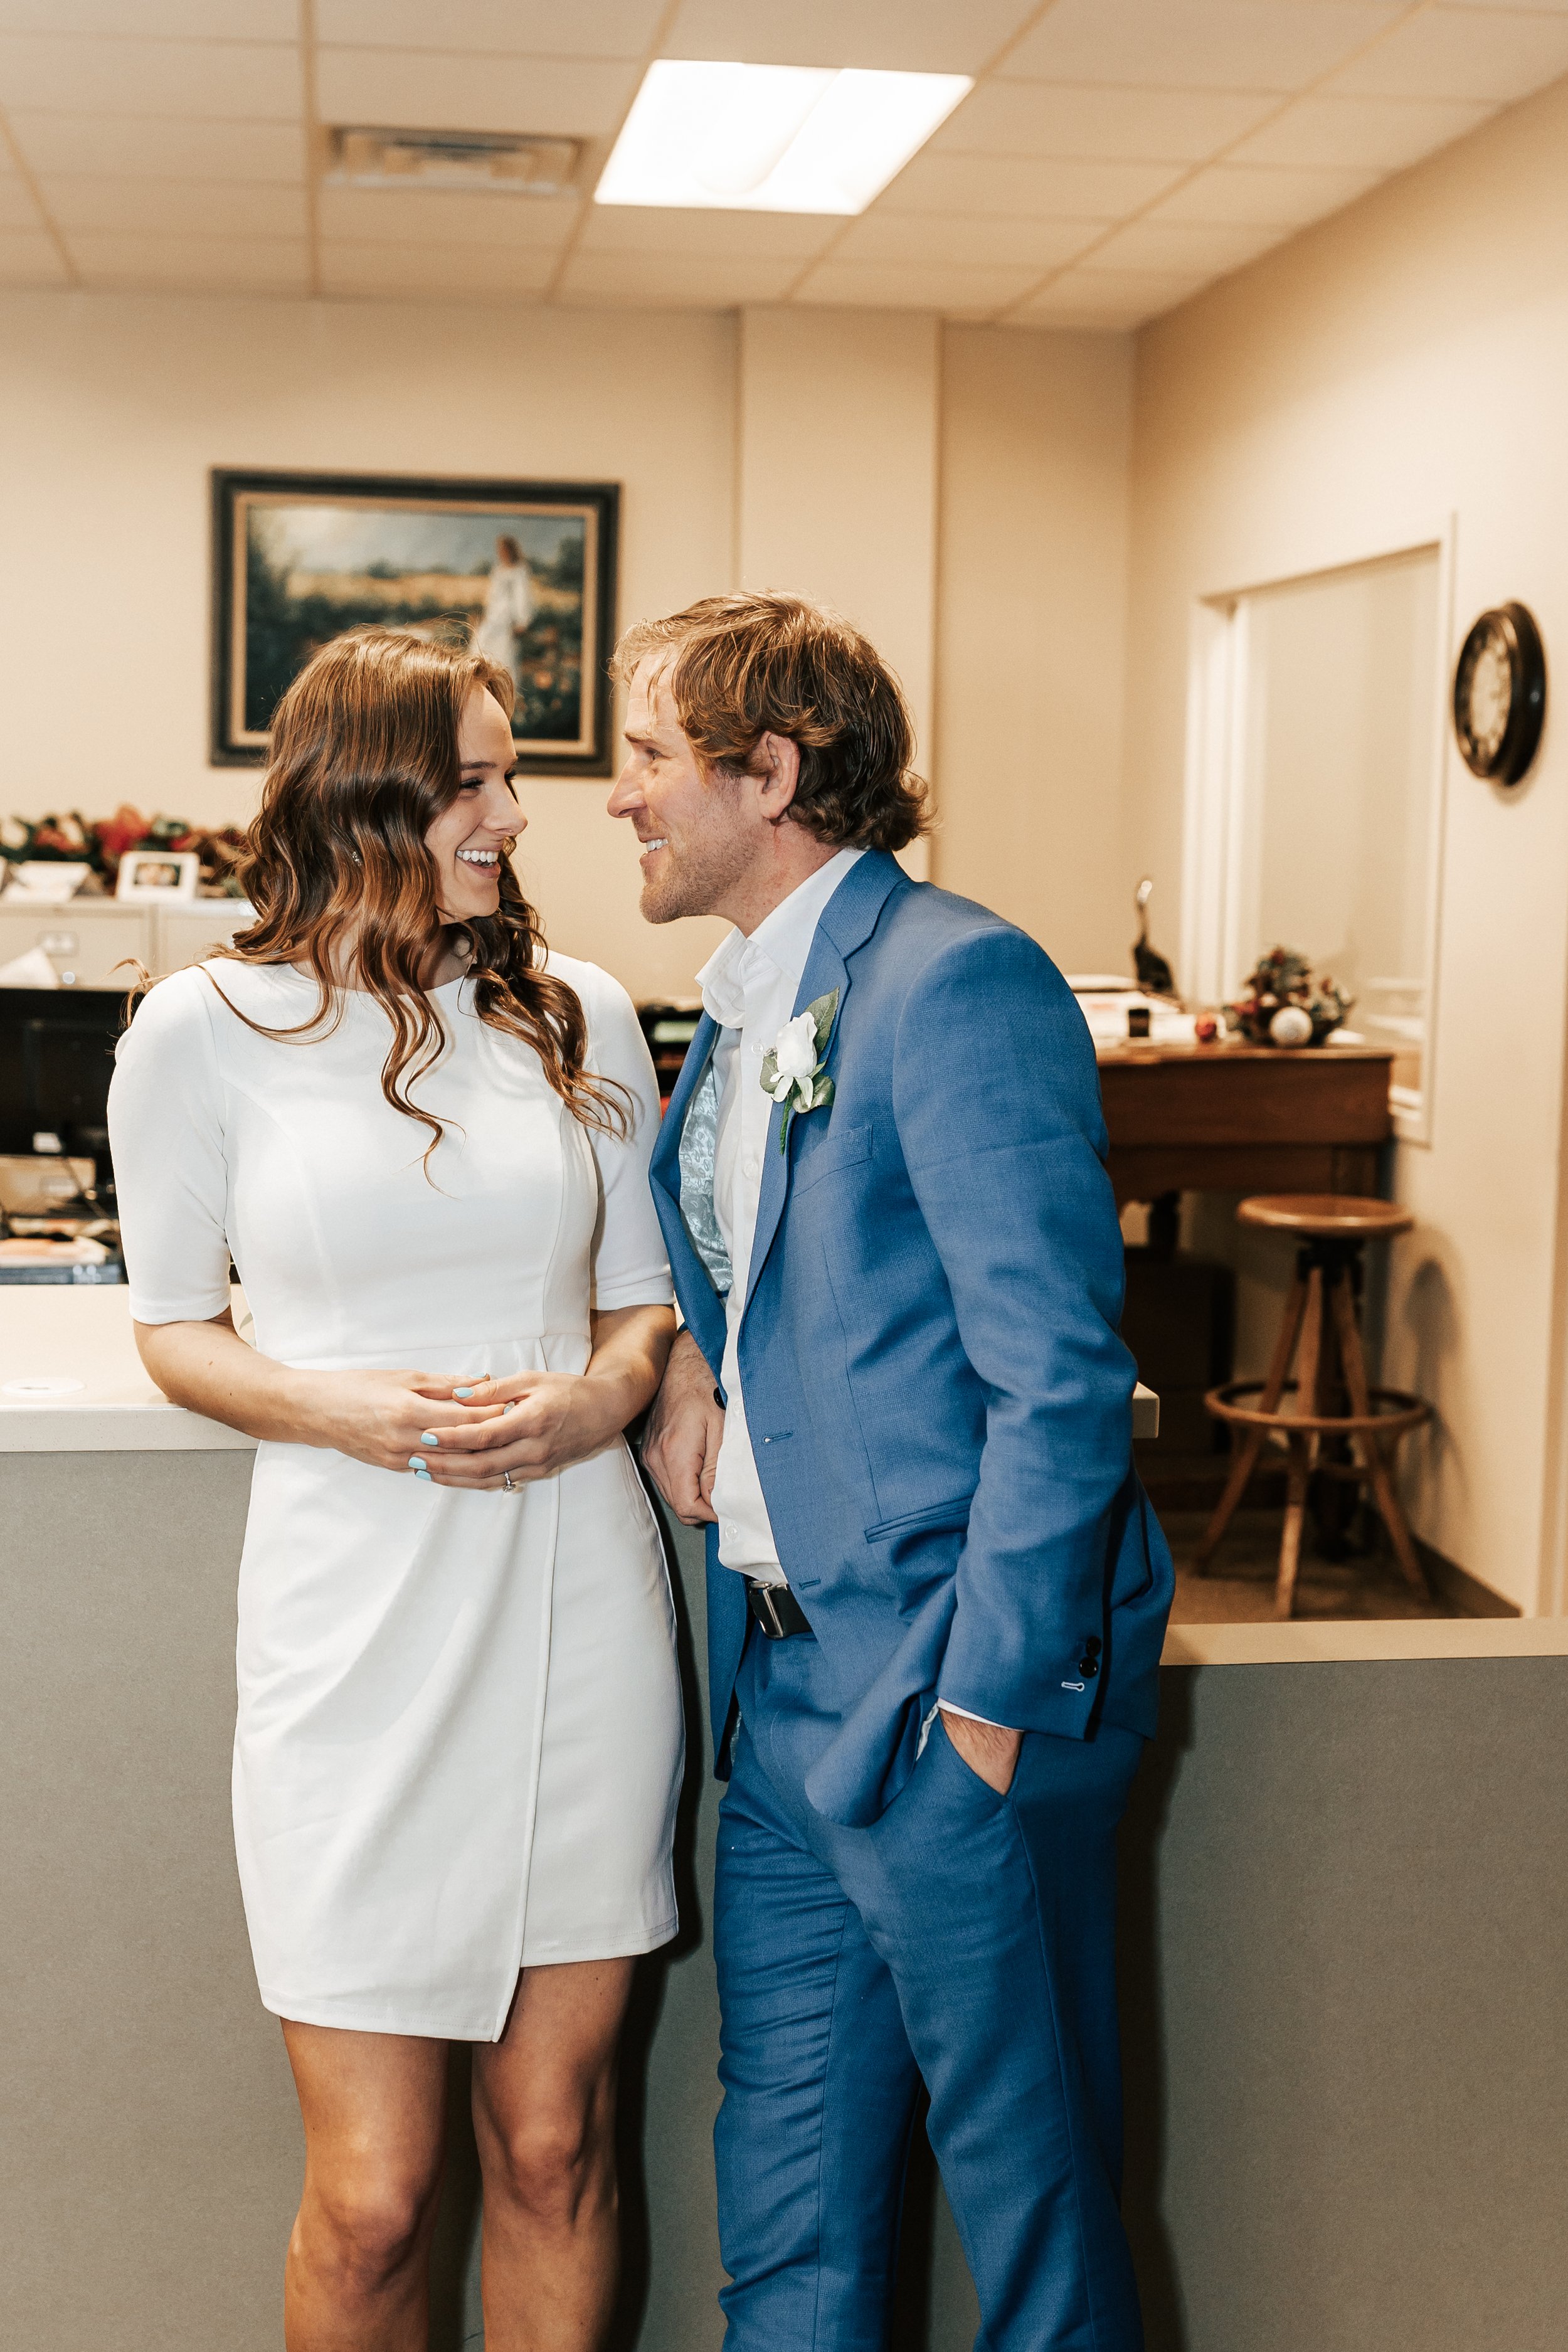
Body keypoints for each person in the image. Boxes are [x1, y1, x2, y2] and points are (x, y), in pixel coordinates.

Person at [108, 628, 682, 2352]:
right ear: (366, 791)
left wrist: (597, 1399)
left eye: (513, 774)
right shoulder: (199, 1030)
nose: (517, 810)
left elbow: (638, 1299)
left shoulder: (576, 1007)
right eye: (479, 778)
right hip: (351, 1612)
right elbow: (172, 1327)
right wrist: (331, 1404)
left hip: (575, 1594)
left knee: (556, 2139)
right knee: (369, 2200)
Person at [612, 593, 1175, 2351]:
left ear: (766, 770)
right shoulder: (732, 1005)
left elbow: (1060, 1378)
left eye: (645, 755)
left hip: (947, 1694)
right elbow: (767, 1261)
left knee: (1033, 2212)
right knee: (787, 2216)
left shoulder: (956, 976)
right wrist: (695, 1362)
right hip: (779, 1695)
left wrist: (986, 1712)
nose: (615, 795)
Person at [474, 531, 536, 690]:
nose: (501, 553)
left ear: (511, 550)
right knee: (481, 644)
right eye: (500, 550)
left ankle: (505, 688)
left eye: (504, 549)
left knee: (504, 655)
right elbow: (492, 595)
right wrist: (486, 614)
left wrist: (523, 621)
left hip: (508, 618)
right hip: (494, 615)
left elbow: (522, 596)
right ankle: (482, 684)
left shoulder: (519, 571)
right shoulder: (498, 570)